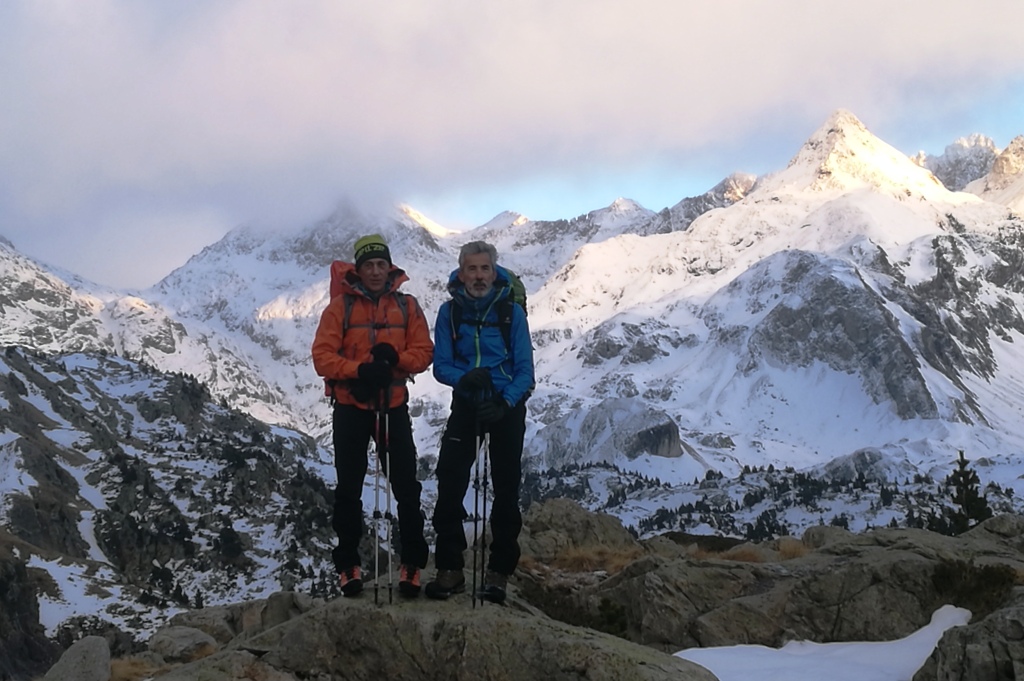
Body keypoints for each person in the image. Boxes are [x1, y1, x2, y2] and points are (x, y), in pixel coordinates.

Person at [311, 234, 433, 598]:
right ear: (358, 270)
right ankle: (348, 565)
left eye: (381, 265)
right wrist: (361, 370)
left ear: (389, 268)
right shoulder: (339, 308)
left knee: (406, 487)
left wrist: (395, 360)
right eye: (369, 265)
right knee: (349, 488)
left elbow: (424, 352)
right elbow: (322, 357)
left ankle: (411, 563)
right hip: (351, 406)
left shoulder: (408, 307)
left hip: (392, 405)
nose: (376, 271)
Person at [425, 241, 535, 603]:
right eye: (471, 269)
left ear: (494, 271)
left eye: (484, 269)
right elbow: (440, 365)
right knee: (451, 481)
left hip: (505, 407)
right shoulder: (449, 313)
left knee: (505, 489)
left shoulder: (510, 313)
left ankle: (499, 571)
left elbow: (525, 372)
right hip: (467, 404)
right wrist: (464, 378)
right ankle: (450, 568)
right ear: (461, 272)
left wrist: (504, 404)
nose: (478, 276)